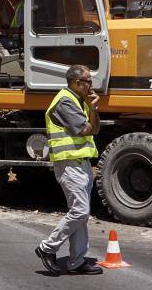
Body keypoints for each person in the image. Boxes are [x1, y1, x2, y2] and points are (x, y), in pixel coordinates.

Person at [35, 65, 102, 276]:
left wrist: (93, 108)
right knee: (80, 211)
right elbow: (86, 129)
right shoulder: (65, 101)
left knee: (82, 214)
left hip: (80, 163)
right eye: (88, 81)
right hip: (69, 164)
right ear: (76, 83)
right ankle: (47, 248)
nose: (91, 85)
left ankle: (77, 260)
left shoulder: (79, 101)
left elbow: (95, 128)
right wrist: (92, 109)